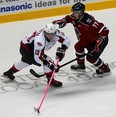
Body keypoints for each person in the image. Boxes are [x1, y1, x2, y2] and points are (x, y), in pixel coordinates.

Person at [3, 23, 71, 87]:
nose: (50, 36)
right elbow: (38, 58)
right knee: (48, 60)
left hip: (28, 45)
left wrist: (63, 49)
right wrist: (51, 65)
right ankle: (51, 80)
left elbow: (66, 39)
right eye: (48, 34)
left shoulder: (57, 33)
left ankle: (9, 72)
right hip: (27, 49)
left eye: (52, 34)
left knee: (25, 62)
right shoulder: (40, 41)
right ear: (45, 33)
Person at [52, 2, 111, 74]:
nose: (73, 14)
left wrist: (100, 40)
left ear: (80, 13)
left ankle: (104, 68)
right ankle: (81, 64)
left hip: (98, 42)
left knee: (90, 58)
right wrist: (64, 20)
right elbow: (68, 18)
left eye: (75, 12)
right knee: (78, 46)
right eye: (73, 12)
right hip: (87, 40)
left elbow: (104, 30)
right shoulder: (74, 17)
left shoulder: (88, 21)